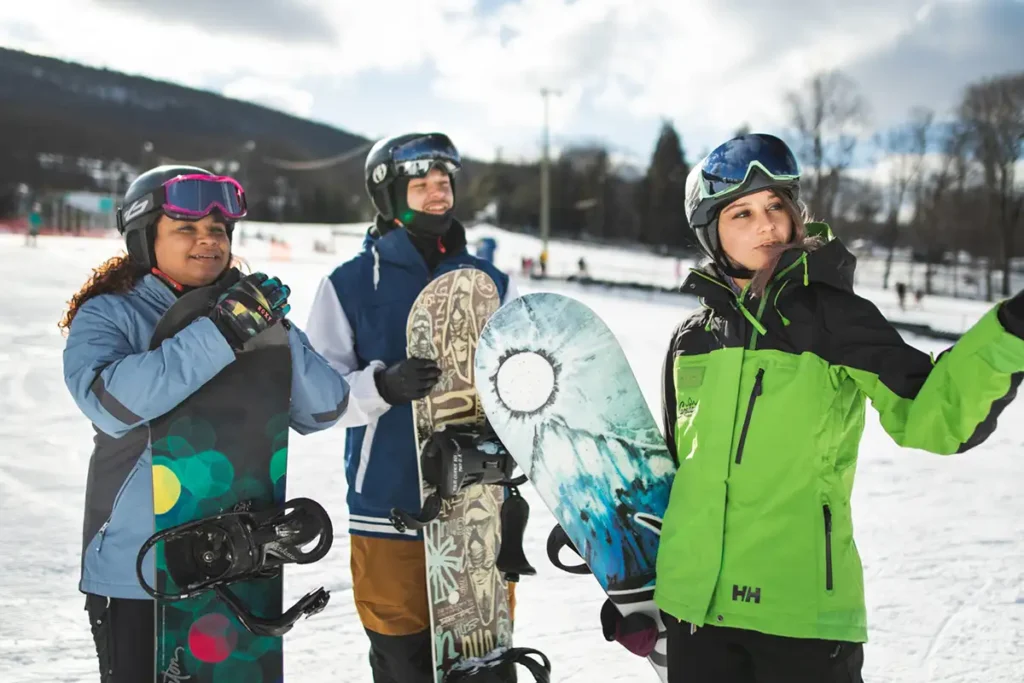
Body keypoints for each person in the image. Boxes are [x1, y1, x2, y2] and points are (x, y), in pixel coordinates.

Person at [646, 133, 1024, 682]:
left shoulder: (835, 318)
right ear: (712, 233)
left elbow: (936, 418)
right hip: (692, 613)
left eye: (777, 205)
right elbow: (678, 471)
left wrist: (1010, 331)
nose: (767, 225)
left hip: (799, 615)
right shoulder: (692, 341)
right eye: (742, 214)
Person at [60, 165, 351, 683]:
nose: (207, 241)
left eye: (217, 230)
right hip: (139, 571)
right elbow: (113, 402)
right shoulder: (110, 314)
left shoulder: (248, 309)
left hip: (241, 558)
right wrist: (220, 331)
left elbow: (325, 408)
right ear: (146, 240)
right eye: (186, 229)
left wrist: (276, 332)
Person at [305, 132, 519, 683]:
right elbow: (313, 397)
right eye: (421, 185)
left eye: (444, 183)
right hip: (386, 505)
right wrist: (384, 388)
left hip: (475, 507)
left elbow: (518, 382)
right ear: (390, 196)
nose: (437, 194)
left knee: (482, 657)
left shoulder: (489, 283)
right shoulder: (349, 284)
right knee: (403, 661)